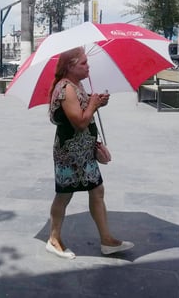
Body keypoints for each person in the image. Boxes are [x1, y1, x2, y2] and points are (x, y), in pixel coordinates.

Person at [46, 46, 134, 259]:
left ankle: (107, 240)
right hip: (70, 154)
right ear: (70, 66)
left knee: (97, 191)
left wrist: (98, 103)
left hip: (84, 152)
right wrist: (93, 105)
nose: (88, 66)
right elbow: (79, 122)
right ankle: (54, 239)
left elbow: (83, 111)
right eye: (83, 63)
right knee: (64, 195)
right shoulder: (66, 88)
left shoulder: (77, 84)